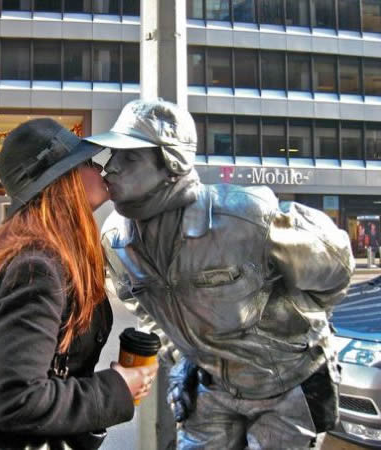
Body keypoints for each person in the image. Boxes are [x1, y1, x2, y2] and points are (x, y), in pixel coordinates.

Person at [85, 99, 355, 450]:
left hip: (287, 385)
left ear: (171, 163)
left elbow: (336, 267)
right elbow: (143, 309)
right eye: (113, 155)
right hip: (209, 385)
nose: (111, 168)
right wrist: (181, 358)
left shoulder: (244, 217)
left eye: (130, 157)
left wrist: (296, 328)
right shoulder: (116, 238)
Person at [0, 118, 158, 448]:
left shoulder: (40, 253)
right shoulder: (39, 268)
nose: (101, 169)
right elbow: (15, 399)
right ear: (63, 179)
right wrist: (116, 387)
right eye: (89, 162)